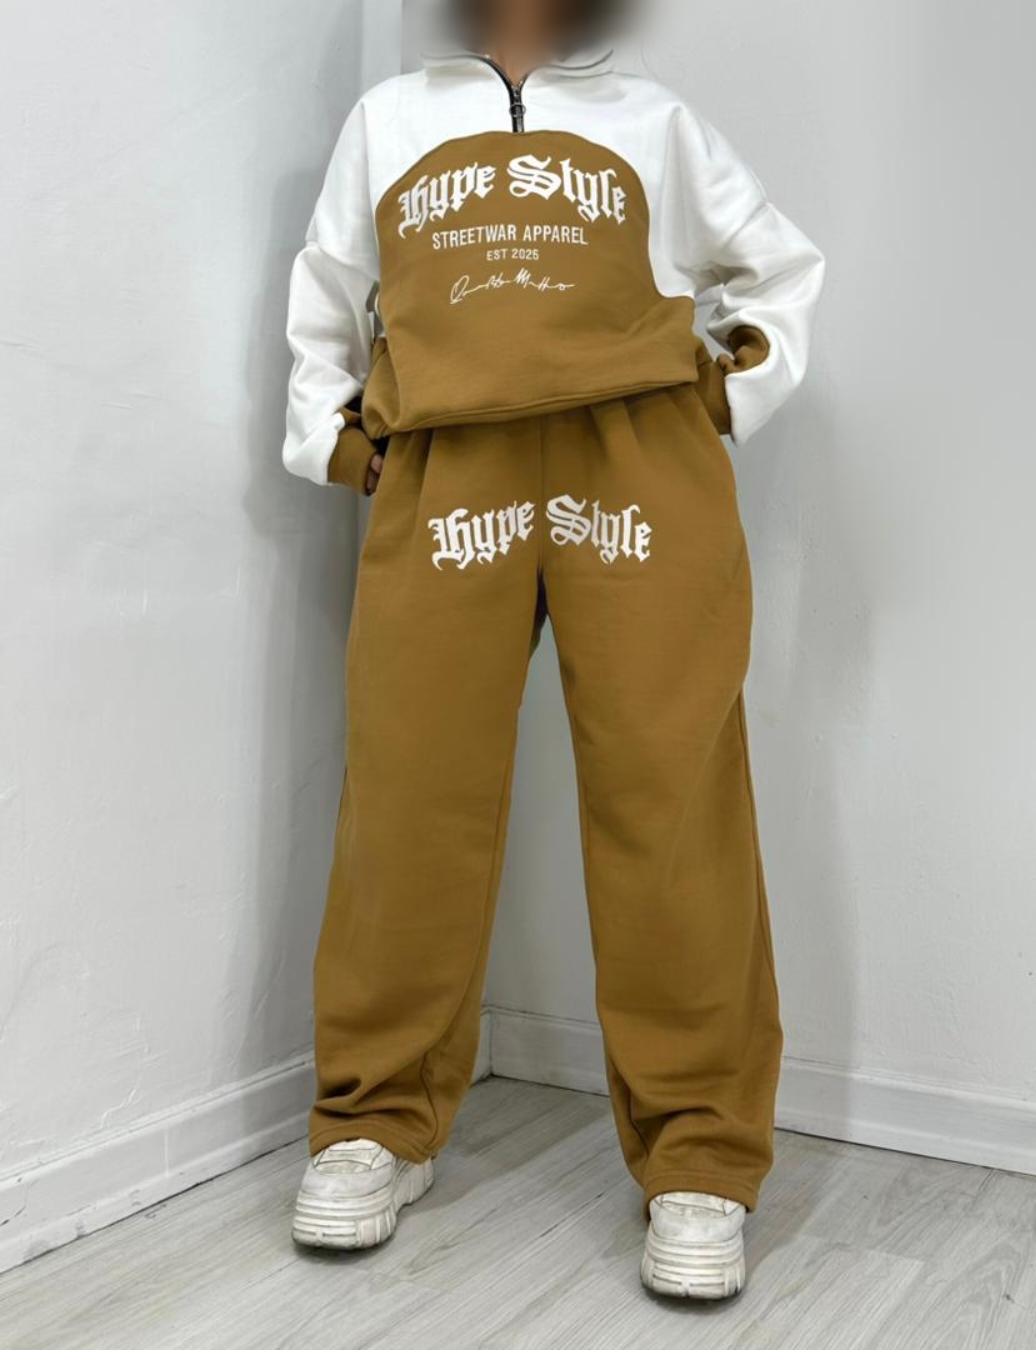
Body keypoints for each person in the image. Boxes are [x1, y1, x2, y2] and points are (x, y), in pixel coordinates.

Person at [281, 0, 824, 1301]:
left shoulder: (656, 121)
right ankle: (374, 1120)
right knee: (410, 790)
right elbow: (327, 292)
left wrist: (720, 392)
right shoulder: (390, 119)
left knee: (668, 790)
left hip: (634, 456)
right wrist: (341, 440)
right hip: (447, 460)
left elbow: (779, 269)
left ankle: (700, 1154)